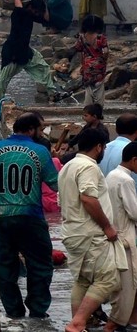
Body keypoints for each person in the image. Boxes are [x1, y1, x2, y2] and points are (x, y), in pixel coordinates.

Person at [0, 112, 58, 318]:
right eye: (41, 129)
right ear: (30, 130)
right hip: (31, 217)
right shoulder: (40, 151)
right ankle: (37, 310)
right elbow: (54, 184)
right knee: (40, 265)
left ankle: (14, 312)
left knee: (6, 266)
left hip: (0, 216)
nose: (42, 132)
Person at [58, 128, 122, 332]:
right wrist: (107, 226)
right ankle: (78, 322)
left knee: (83, 279)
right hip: (89, 232)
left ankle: (79, 323)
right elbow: (88, 198)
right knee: (109, 278)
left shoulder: (68, 166)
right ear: (99, 147)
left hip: (72, 230)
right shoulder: (88, 167)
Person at [0, 0, 62, 101]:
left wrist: (42, 0)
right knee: (4, 78)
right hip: (12, 52)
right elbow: (19, 7)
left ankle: (53, 93)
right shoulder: (19, 14)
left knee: (43, 66)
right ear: (30, 7)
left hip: (25, 51)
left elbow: (46, 17)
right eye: (35, 11)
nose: (36, 14)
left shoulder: (31, 16)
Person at [104, 141, 137, 331]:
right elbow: (134, 212)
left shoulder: (112, 176)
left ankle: (121, 322)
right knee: (127, 286)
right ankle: (113, 324)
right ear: (134, 160)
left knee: (121, 286)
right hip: (126, 237)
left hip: (117, 236)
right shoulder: (126, 180)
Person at [74, 15, 109, 105]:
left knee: (88, 88)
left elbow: (78, 50)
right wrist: (104, 59)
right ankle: (98, 110)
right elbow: (105, 52)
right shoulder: (100, 38)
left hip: (87, 67)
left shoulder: (81, 37)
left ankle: (88, 108)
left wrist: (83, 66)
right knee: (99, 89)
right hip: (99, 67)